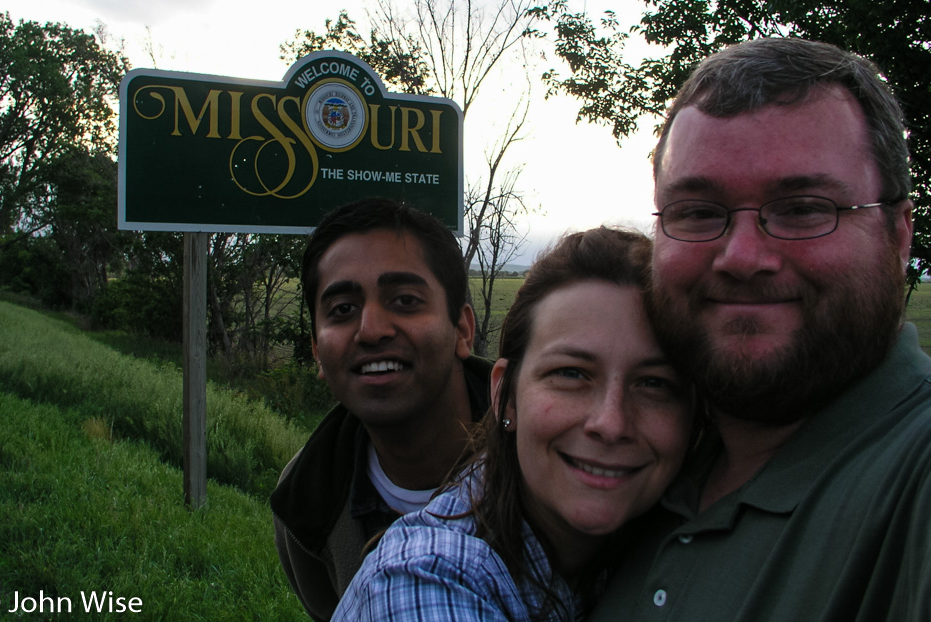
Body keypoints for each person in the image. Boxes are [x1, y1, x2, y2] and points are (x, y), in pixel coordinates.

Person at [589, 38, 931, 621]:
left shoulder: (913, 478)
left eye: (803, 208)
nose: (742, 257)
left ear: (898, 237)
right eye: (697, 212)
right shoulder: (634, 470)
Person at [333, 227, 694, 621]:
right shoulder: (423, 581)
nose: (611, 423)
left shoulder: (680, 537)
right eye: (571, 374)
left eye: (654, 383)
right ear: (506, 394)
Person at [270, 198, 492, 622]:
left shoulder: (547, 460)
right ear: (317, 351)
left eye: (405, 300)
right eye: (342, 310)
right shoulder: (305, 506)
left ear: (462, 329)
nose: (370, 330)